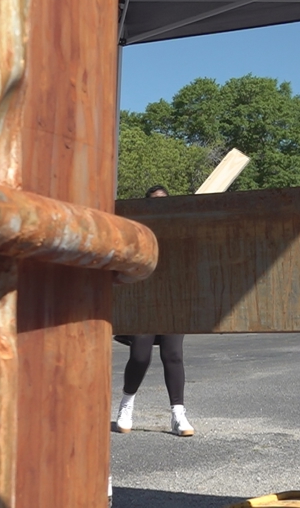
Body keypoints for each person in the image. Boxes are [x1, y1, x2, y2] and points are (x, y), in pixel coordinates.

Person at [112, 185, 195, 437]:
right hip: (143, 301)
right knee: (140, 356)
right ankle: (125, 407)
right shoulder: (138, 234)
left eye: (163, 201)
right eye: (154, 201)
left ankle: (178, 415)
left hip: (173, 300)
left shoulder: (180, 231)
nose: (159, 205)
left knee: (173, 355)